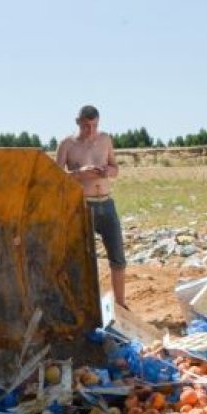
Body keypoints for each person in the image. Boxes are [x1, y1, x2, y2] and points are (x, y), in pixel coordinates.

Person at [54, 104, 126, 309]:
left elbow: (115, 168)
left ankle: (120, 305)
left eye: (94, 125)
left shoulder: (105, 140)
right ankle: (86, 307)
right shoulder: (67, 144)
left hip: (107, 203)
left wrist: (106, 171)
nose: (91, 130)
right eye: (86, 126)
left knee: (118, 256)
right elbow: (56, 178)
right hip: (82, 206)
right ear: (78, 122)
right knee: (84, 260)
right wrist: (79, 173)